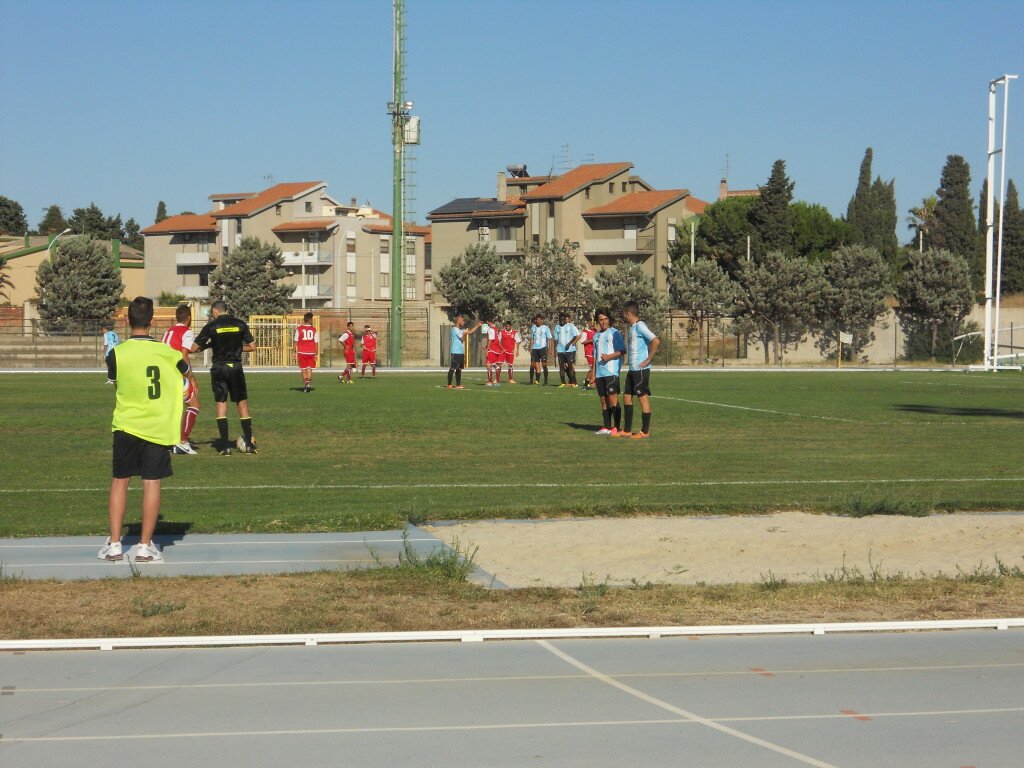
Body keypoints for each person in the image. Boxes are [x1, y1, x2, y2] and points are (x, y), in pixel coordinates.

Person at [98, 296, 189, 563]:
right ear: (152, 321)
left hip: (126, 424)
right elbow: (185, 371)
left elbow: (115, 381)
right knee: (151, 483)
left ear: (127, 321)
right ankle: (145, 546)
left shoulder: (117, 353)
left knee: (120, 481)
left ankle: (115, 544)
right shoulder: (169, 354)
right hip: (157, 426)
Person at [190, 300, 257, 455]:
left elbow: (193, 348)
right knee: (242, 404)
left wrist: (208, 345)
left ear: (215, 311)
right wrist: (237, 349)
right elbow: (253, 347)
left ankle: (225, 447)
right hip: (236, 367)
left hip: (219, 368)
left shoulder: (211, 326)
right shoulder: (240, 324)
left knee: (221, 405)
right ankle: (248, 445)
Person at [161, 303, 201, 454]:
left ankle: (167, 441)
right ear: (189, 318)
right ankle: (183, 442)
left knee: (170, 409)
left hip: (163, 374)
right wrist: (191, 379)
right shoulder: (186, 331)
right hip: (175, 374)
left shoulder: (168, 331)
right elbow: (184, 355)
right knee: (194, 405)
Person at [622, 302, 660, 439]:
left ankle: (645, 431)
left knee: (642, 398)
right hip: (632, 369)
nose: (623, 316)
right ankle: (626, 430)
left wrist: (649, 358)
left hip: (641, 370)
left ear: (628, 314)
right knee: (626, 396)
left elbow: (655, 340)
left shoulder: (640, 326)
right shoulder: (632, 327)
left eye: (624, 313)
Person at [592, 308, 626, 436]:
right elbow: (595, 357)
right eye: (601, 319)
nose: (603, 322)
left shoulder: (614, 333)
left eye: (605, 319)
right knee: (603, 400)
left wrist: (609, 357)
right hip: (599, 373)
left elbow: (622, 350)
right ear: (598, 321)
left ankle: (617, 427)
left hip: (611, 371)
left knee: (612, 399)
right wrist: (593, 374)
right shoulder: (596, 336)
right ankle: (606, 426)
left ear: (609, 319)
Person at [447, 315, 481, 389]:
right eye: (462, 321)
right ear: (459, 321)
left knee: (459, 369)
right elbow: (462, 337)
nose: (464, 322)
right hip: (455, 351)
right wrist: (465, 333)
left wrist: (477, 325)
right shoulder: (454, 329)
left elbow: (470, 331)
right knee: (453, 368)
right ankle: (449, 384)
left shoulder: (460, 330)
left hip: (461, 352)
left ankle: (458, 384)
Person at [555, 312, 582, 388]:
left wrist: (570, 344)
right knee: (561, 366)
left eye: (564, 319)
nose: (562, 321)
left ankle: (573, 382)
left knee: (570, 366)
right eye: (561, 319)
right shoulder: (557, 327)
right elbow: (556, 339)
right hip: (560, 349)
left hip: (569, 349)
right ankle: (563, 382)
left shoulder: (570, 326)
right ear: (559, 320)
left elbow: (575, 336)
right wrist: (555, 350)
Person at [294, 311, 320, 392]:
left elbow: (295, 342)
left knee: (303, 369)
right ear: (310, 320)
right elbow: (316, 343)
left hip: (302, 352)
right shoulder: (314, 330)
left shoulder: (299, 329)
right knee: (309, 369)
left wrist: (294, 352)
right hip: (311, 352)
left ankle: (306, 381)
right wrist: (316, 354)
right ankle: (308, 383)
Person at [528, 315, 553, 385]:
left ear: (542, 320)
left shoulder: (545, 328)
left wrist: (549, 348)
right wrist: (531, 347)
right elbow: (532, 338)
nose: (538, 321)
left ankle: (545, 381)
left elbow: (549, 339)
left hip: (543, 348)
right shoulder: (533, 328)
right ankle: (531, 380)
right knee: (532, 365)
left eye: (540, 319)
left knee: (544, 364)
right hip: (535, 349)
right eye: (537, 319)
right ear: (535, 320)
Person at [499, 320, 522, 384]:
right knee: (499, 364)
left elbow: (518, 342)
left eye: (508, 326)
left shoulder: (514, 333)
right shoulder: (502, 332)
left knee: (510, 365)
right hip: (503, 351)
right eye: (506, 326)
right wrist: (502, 348)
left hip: (510, 351)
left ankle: (511, 379)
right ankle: (497, 378)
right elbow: (499, 341)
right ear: (505, 326)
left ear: (511, 326)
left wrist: (517, 351)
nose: (507, 327)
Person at [484, 319, 504, 386]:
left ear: (489, 322)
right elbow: (498, 340)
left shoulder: (491, 329)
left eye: (487, 321)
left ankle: (489, 382)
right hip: (497, 350)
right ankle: (497, 382)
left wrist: (487, 349)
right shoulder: (497, 329)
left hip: (492, 349)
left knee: (488, 365)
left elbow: (491, 339)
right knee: (496, 365)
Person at [581, 319, 598, 391]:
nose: (593, 324)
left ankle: (593, 383)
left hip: (596, 352)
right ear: (589, 323)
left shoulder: (596, 331)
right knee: (592, 369)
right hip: (589, 352)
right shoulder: (585, 332)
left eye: (594, 323)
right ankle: (586, 384)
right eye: (591, 323)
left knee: (596, 369)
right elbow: (582, 342)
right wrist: (591, 340)